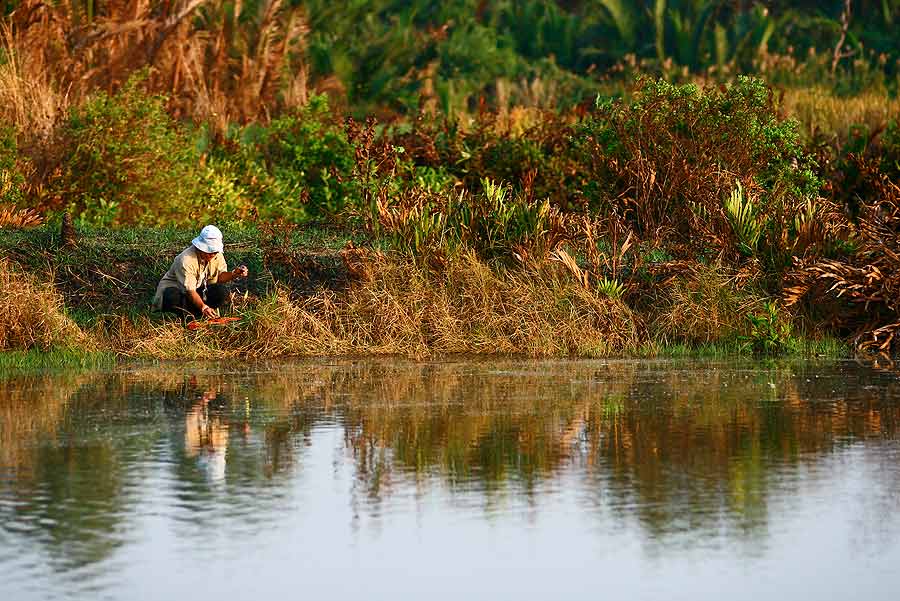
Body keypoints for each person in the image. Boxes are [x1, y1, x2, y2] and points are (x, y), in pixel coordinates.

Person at [153, 225, 248, 319]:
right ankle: (178, 316)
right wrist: (204, 307)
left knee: (220, 291)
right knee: (172, 295)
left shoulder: (217, 255)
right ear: (200, 247)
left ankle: (198, 315)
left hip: (198, 291)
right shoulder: (186, 260)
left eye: (215, 251)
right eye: (209, 251)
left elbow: (220, 277)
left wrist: (234, 274)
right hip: (180, 292)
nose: (213, 254)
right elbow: (189, 290)